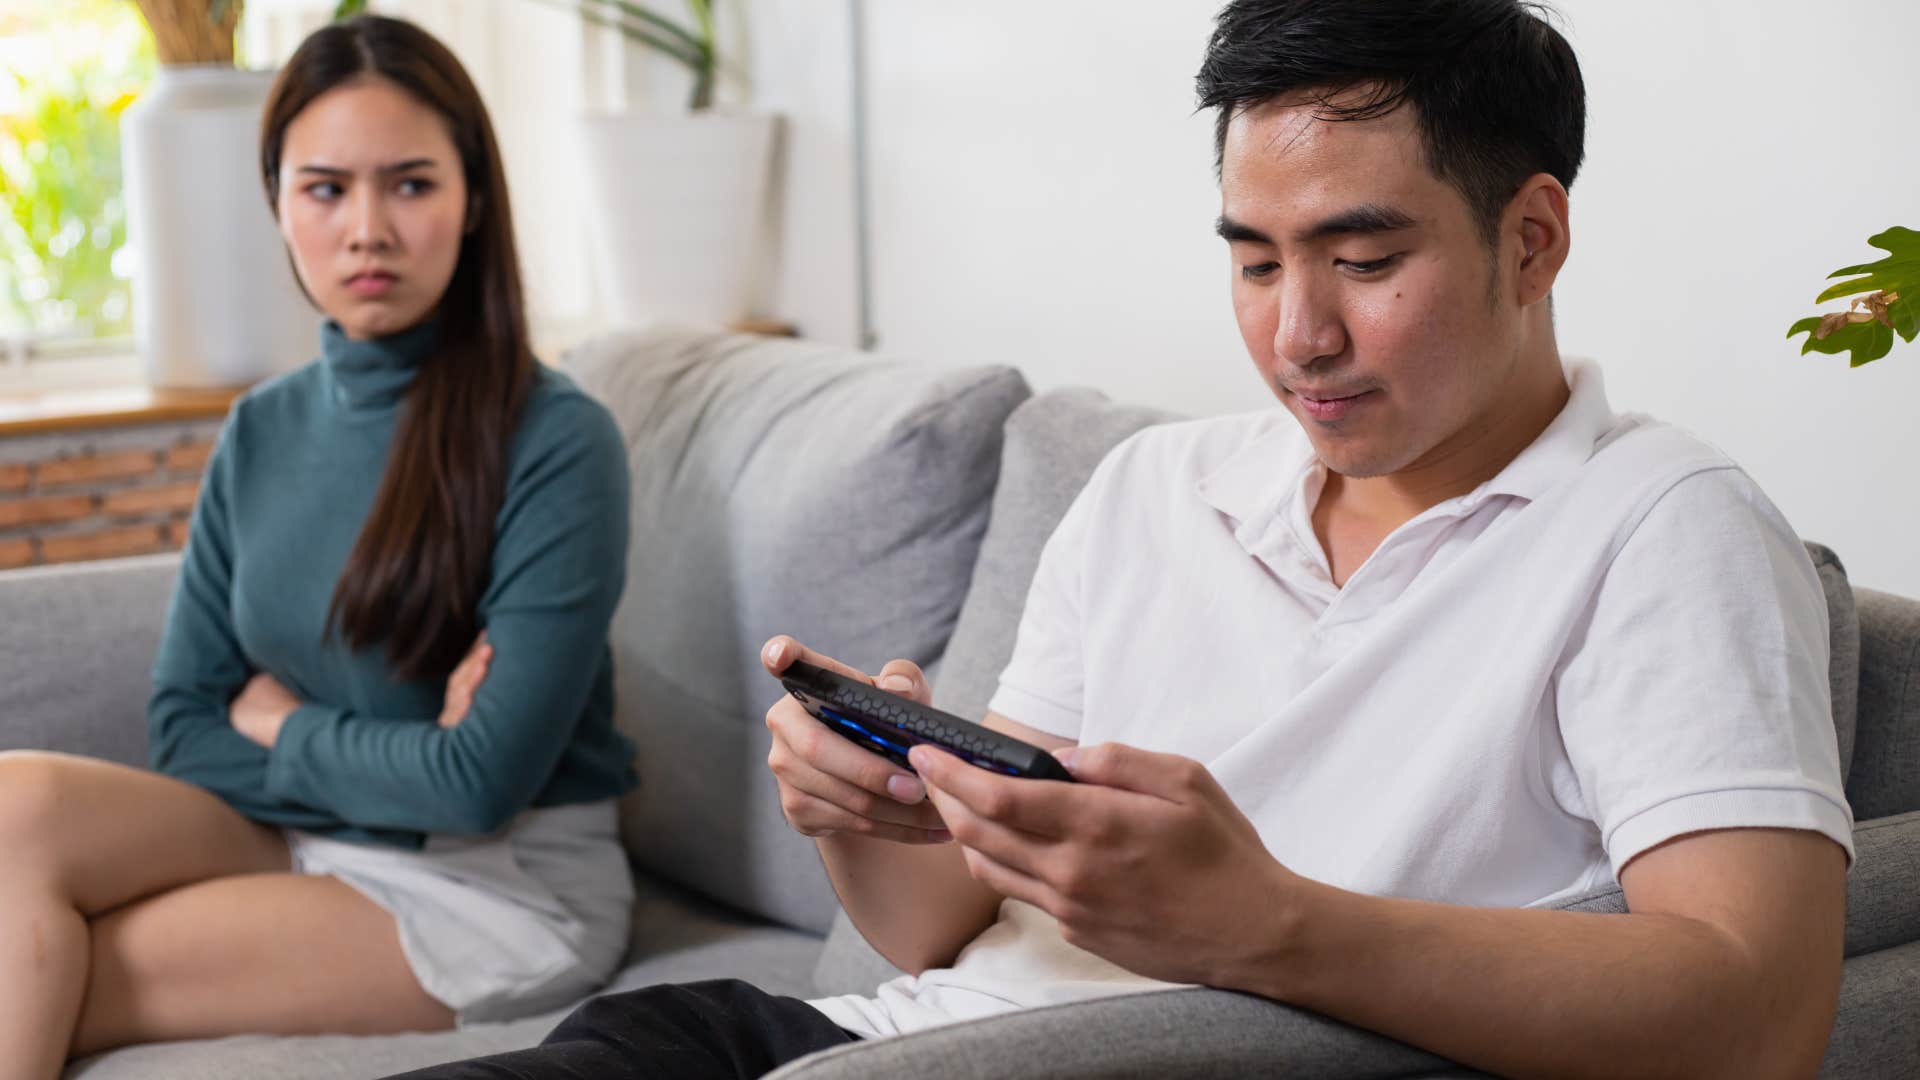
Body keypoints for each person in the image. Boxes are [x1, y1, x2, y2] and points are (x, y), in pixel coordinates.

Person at [400, 2, 1853, 1077]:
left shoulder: (1665, 528)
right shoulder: (1159, 489)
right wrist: (876, 816)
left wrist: (1267, 922)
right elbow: (928, 933)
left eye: (1365, 260)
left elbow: (1761, 1014)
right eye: (1254, 260)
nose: (1300, 334)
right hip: (833, 1040)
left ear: (1532, 239)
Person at [0, 15, 637, 1079]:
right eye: (327, 188)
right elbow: (184, 728)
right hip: (314, 831)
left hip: (492, 882)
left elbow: (477, 789)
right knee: (14, 800)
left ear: (474, 200)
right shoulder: (262, 427)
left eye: (412, 184)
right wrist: (405, 760)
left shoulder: (558, 440)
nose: (367, 230)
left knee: (53, 963)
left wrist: (284, 722)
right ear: (279, 202)